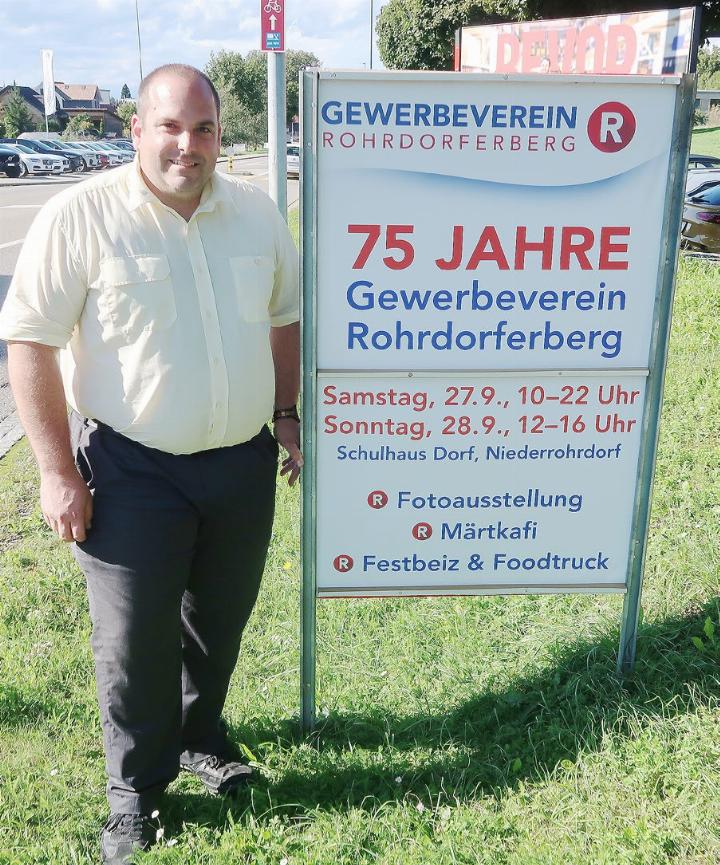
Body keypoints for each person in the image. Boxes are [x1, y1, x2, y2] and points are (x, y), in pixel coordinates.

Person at [0, 64, 302, 864]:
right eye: (170, 126)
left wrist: (286, 414)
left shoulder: (257, 215)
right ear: (136, 129)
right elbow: (28, 339)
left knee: (219, 619)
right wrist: (57, 471)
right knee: (133, 638)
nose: (187, 145)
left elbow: (283, 318)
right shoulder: (81, 216)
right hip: (129, 466)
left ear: (219, 135)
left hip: (240, 461)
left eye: (203, 129)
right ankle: (136, 793)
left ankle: (203, 736)